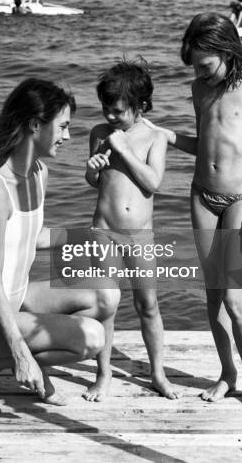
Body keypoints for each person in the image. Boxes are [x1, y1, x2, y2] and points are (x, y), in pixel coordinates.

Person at [0, 78, 119, 410]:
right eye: (63, 126)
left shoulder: (39, 172)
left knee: (106, 295)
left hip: (18, 296)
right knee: (92, 338)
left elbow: (29, 236)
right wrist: (21, 354)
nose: (68, 136)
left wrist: (87, 238)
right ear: (35, 125)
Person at [146, 12, 242, 413]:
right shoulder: (199, 88)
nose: (201, 73)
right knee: (212, 295)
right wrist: (168, 135)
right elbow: (207, 143)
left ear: (226, 50)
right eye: (195, 67)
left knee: (235, 297)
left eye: (206, 65)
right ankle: (228, 373)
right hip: (202, 195)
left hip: (241, 200)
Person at [84, 59, 179, 402]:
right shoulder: (98, 133)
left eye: (118, 111)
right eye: (106, 109)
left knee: (148, 304)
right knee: (105, 305)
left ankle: (157, 373)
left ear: (140, 107)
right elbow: (96, 181)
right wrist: (93, 169)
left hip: (140, 235)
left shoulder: (154, 137)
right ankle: (103, 372)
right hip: (103, 230)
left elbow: (153, 183)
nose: (110, 117)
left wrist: (124, 149)